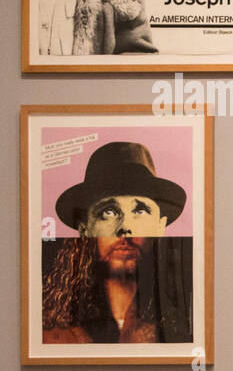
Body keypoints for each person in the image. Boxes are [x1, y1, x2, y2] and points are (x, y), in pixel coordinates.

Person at [42, 141, 190, 344]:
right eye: (109, 212)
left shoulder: (185, 325)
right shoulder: (50, 330)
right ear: (85, 230)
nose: (125, 227)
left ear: (160, 227)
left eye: (140, 211)